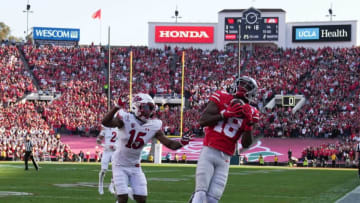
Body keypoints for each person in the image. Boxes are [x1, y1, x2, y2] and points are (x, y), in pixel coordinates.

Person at [102, 93, 192, 203]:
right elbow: (105, 122)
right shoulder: (125, 119)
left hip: (135, 165)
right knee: (123, 197)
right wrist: (116, 107)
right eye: (146, 107)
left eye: (151, 108)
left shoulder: (154, 125)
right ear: (136, 106)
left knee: (141, 198)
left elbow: (170, 144)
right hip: (119, 164)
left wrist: (182, 142)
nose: (149, 111)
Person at [189, 76, 259, 203]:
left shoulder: (253, 112)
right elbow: (203, 121)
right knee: (200, 195)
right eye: (240, 84)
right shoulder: (221, 96)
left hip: (226, 158)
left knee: (212, 200)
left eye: (247, 87)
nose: (242, 88)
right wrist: (224, 114)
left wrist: (249, 124)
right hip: (209, 151)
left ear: (252, 92)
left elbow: (246, 143)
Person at [97, 125, 121, 195]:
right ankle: (100, 185)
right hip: (106, 151)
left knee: (116, 170)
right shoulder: (105, 129)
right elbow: (98, 140)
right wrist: (104, 145)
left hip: (115, 152)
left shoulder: (119, 129)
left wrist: (116, 147)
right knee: (103, 170)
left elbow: (123, 141)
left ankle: (111, 186)